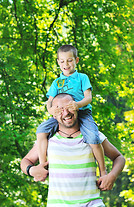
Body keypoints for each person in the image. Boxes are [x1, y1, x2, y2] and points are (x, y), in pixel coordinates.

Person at [21, 93, 125, 207]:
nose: (66, 113)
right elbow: (25, 161)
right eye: (60, 109)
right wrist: (31, 170)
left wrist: (111, 176)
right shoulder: (47, 139)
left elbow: (119, 158)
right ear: (54, 114)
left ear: (77, 107)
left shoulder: (93, 136)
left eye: (69, 107)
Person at [36, 44, 106, 178]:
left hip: (82, 113)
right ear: (58, 62)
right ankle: (43, 165)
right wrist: (51, 110)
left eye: (69, 60)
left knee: (93, 138)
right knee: (41, 130)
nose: (66, 64)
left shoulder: (82, 78)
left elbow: (88, 97)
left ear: (76, 60)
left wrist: (78, 105)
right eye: (62, 61)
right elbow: (49, 101)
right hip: (61, 115)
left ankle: (102, 171)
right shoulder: (56, 82)